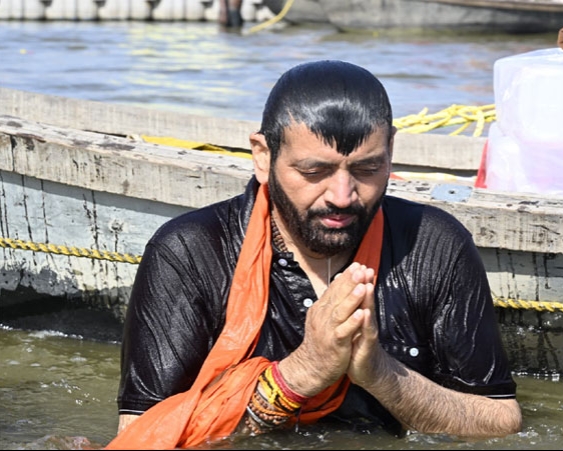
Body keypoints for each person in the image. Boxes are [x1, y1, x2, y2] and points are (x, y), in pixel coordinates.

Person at [106, 60, 522, 450]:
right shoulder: (188, 252)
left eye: (367, 169)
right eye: (313, 172)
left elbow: (500, 419)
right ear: (263, 156)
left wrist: (379, 373)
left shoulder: (434, 245)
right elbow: (140, 435)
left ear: (391, 150)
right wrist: (301, 374)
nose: (342, 196)